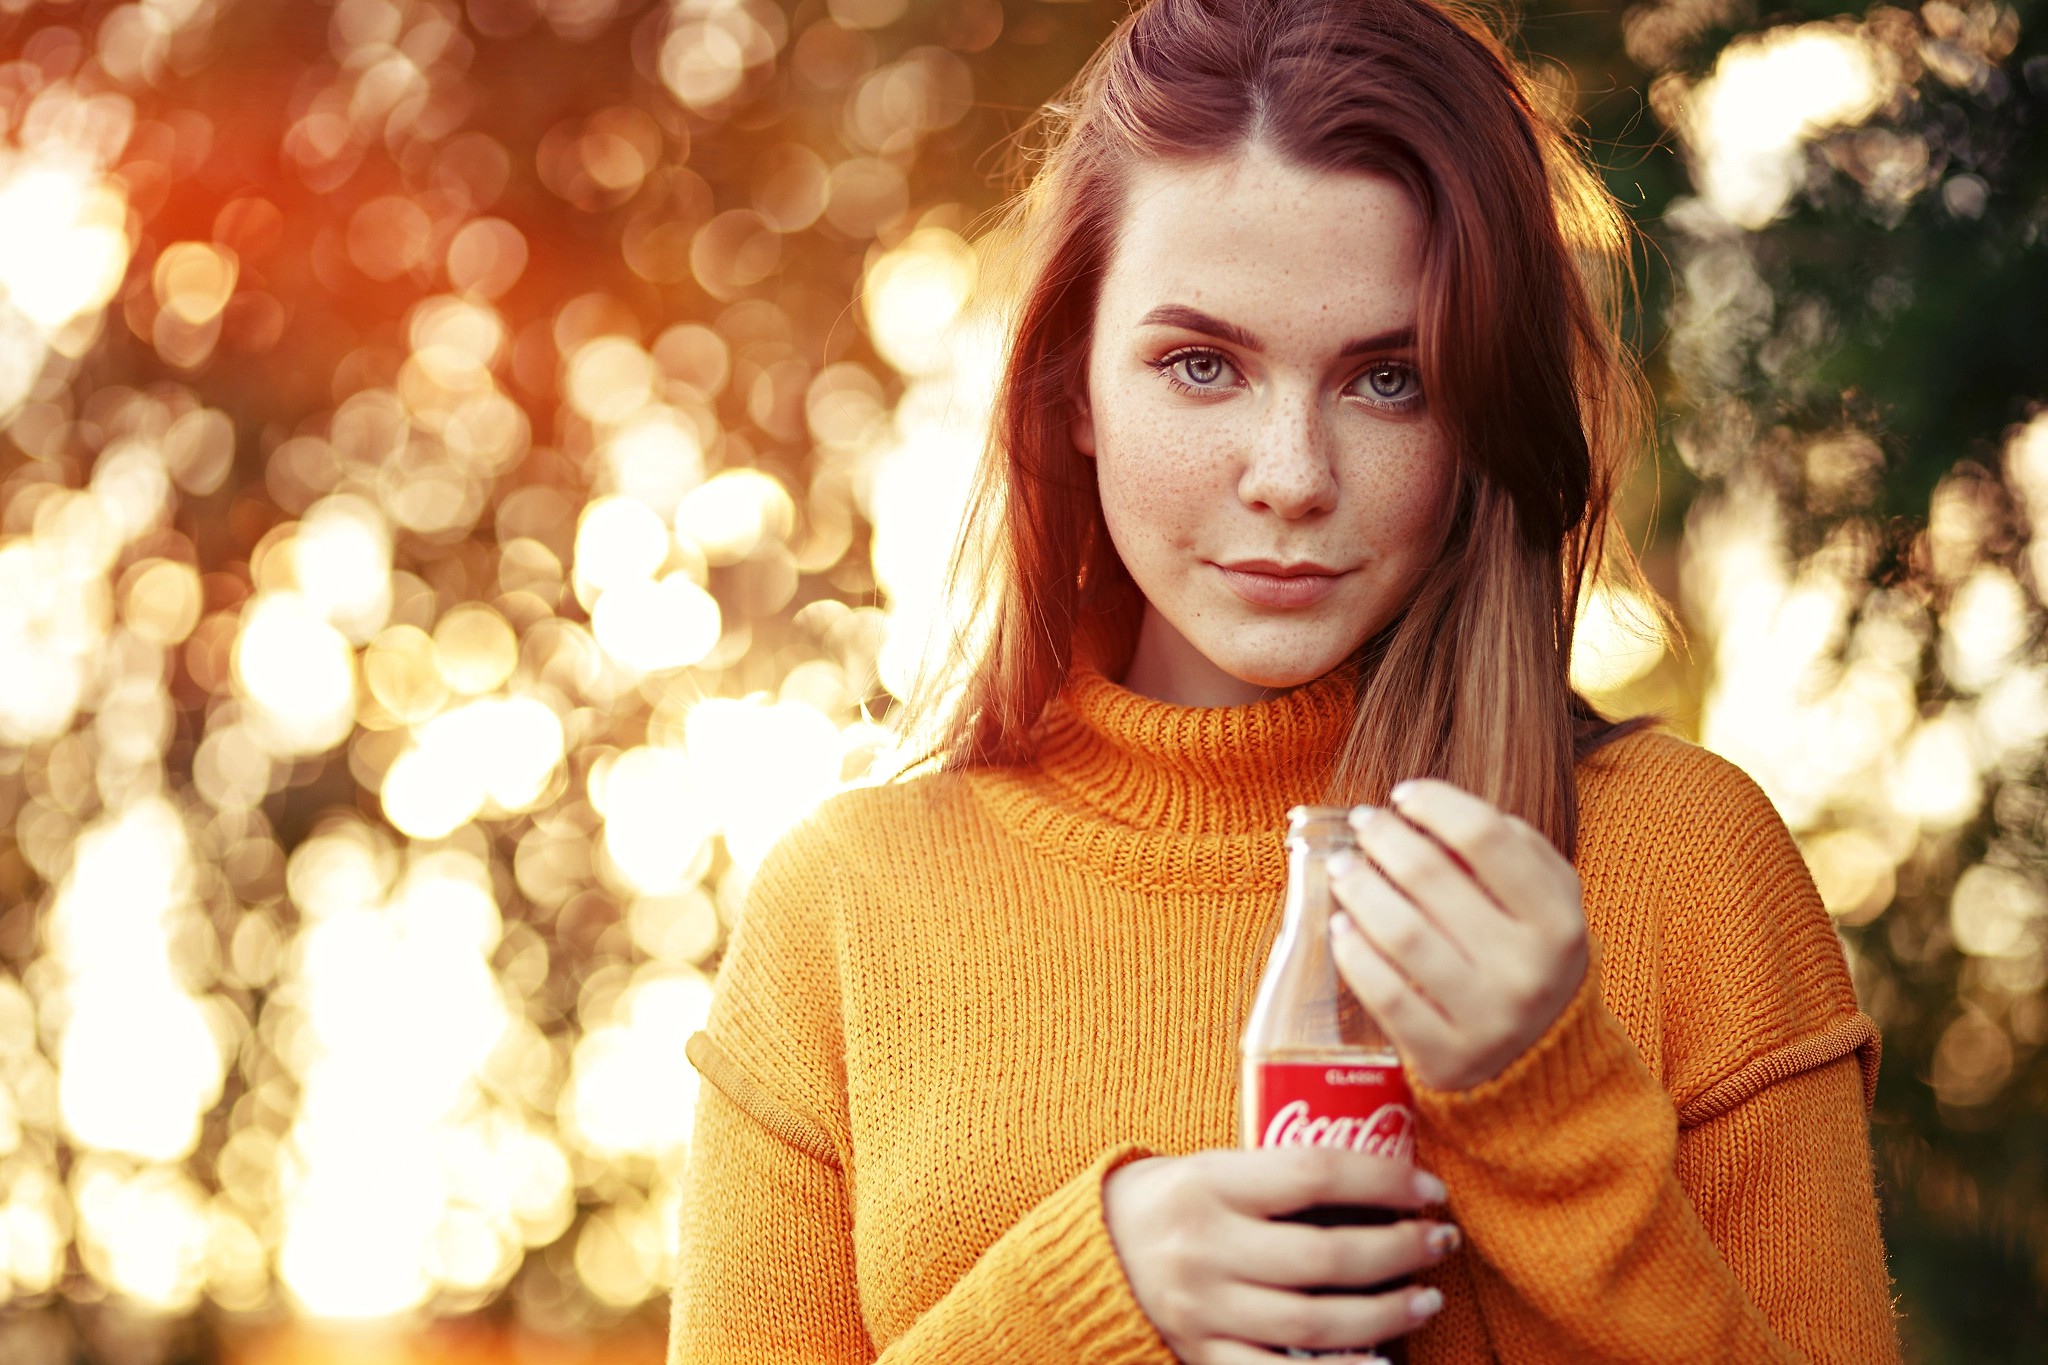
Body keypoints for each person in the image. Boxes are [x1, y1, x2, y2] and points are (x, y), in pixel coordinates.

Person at [666, 0, 1903, 1360]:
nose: (1294, 477)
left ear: (1480, 405)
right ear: (1072, 383)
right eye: (1202, 365)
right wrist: (1081, 1304)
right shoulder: (842, 915)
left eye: (1390, 379)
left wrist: (1550, 1111)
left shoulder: (1682, 868)